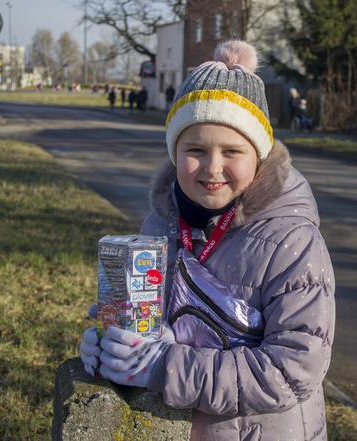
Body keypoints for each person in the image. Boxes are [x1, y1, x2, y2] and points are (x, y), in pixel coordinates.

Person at [80, 40, 336, 440]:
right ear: (173, 151)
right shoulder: (160, 224)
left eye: (232, 151)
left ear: (259, 157)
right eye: (195, 149)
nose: (213, 168)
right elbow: (150, 322)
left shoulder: (292, 242)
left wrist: (166, 367)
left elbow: (292, 369)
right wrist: (113, 343)